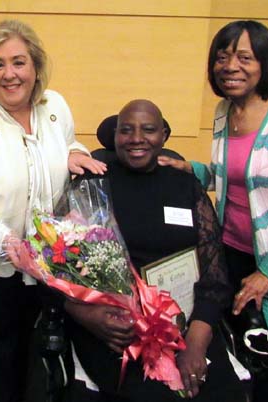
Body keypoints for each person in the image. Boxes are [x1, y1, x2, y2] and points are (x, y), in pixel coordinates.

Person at [0, 19, 106, 402]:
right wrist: (3, 239)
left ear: (36, 67)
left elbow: (67, 141)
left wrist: (76, 151)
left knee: (31, 349)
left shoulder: (54, 106)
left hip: (44, 263)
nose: (9, 74)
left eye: (18, 62)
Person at [158, 20, 268, 402]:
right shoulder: (225, 109)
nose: (230, 66)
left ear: (266, 63)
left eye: (244, 57)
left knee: (262, 351)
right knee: (234, 340)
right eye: (222, 57)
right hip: (230, 248)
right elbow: (233, 175)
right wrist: (192, 171)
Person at [63, 99, 246, 402]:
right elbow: (60, 263)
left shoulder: (185, 185)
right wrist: (85, 313)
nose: (137, 138)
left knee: (222, 392)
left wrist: (198, 339)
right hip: (116, 327)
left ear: (163, 135)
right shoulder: (94, 184)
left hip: (186, 320)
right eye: (126, 130)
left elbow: (215, 273)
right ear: (115, 137)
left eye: (148, 129)